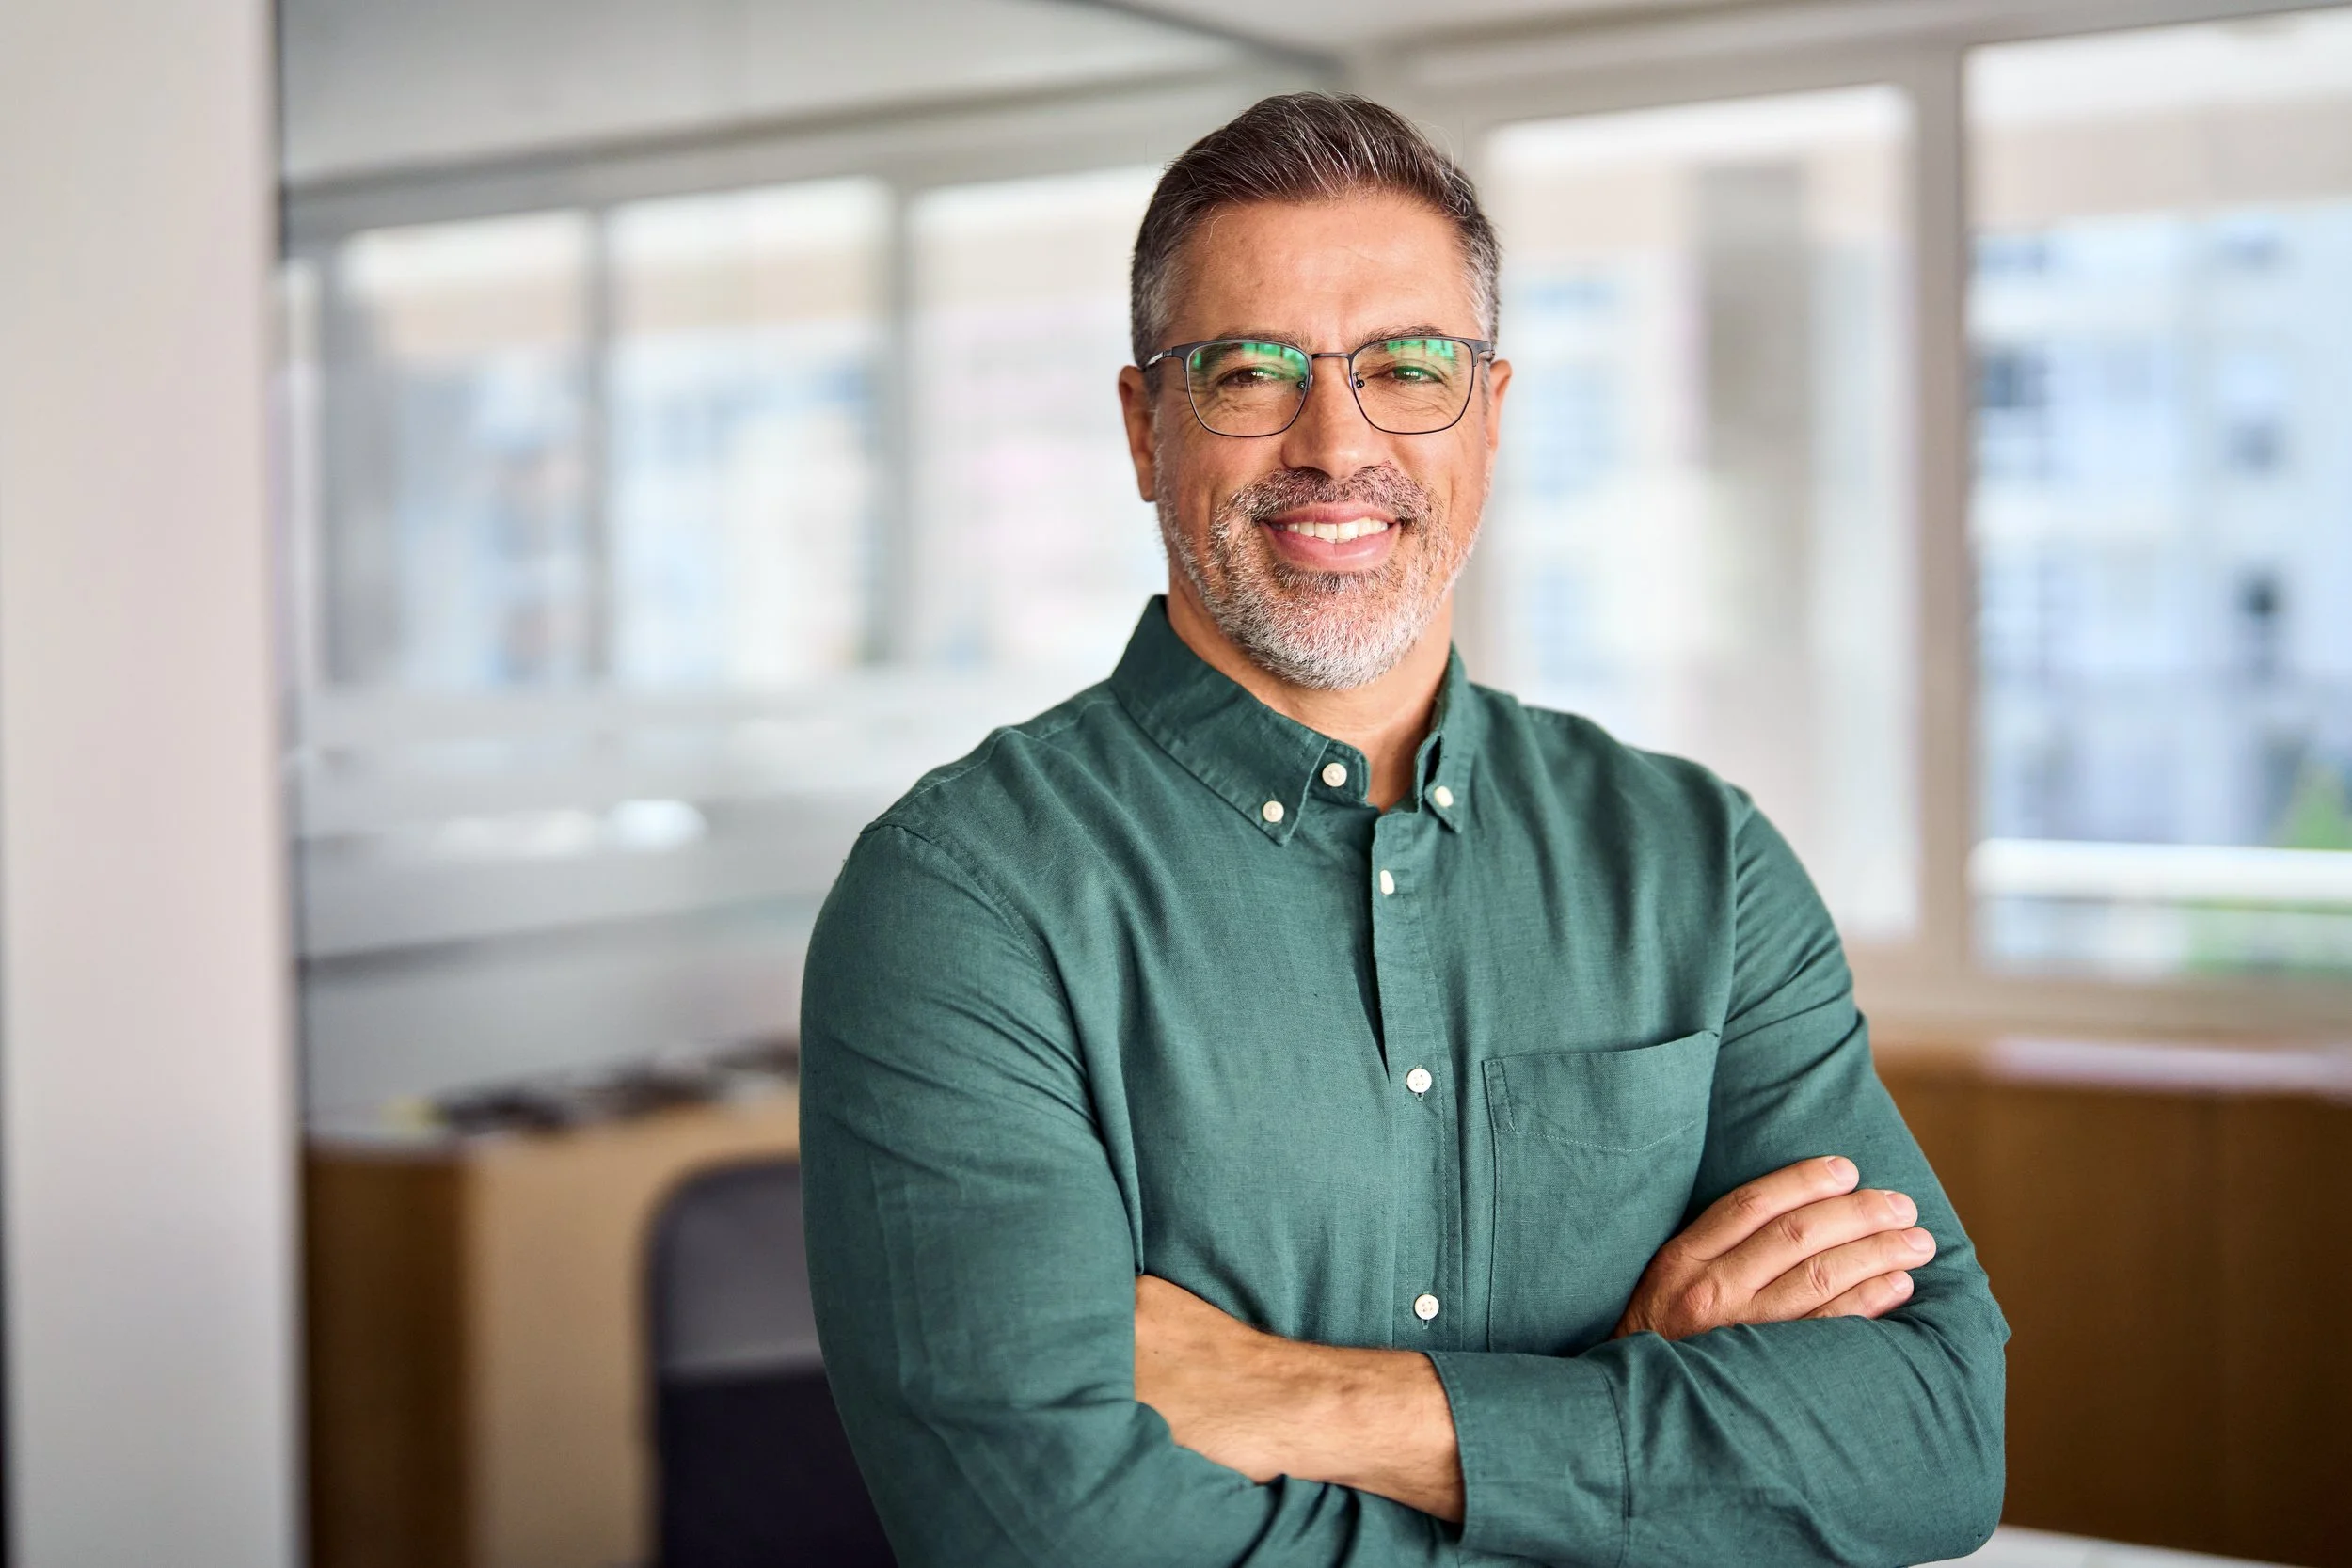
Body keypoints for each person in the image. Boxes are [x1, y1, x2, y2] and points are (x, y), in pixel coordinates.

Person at [801, 92, 2006, 1567]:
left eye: (1409, 368)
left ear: (1488, 420)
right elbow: (1058, 1538)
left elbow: (1936, 1433)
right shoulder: (963, 900)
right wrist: (1631, 1444)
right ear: (1143, 425)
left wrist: (1310, 1400)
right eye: (1248, 371)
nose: (1334, 443)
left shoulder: (1701, 860)